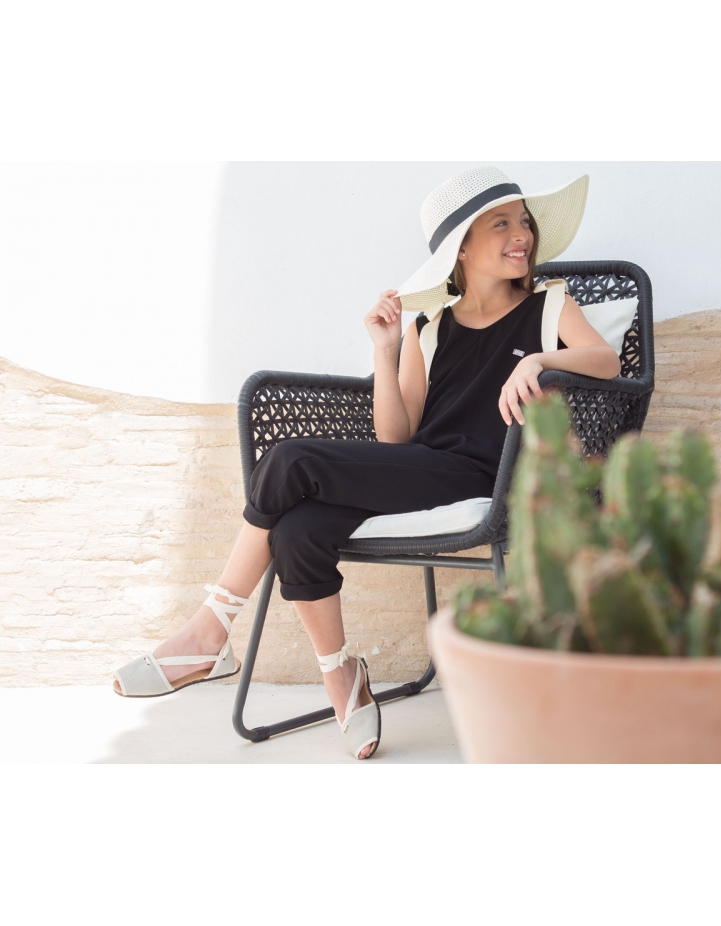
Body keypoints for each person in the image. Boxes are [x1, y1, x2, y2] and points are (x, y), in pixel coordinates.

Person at [112, 165, 621, 760]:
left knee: (289, 459)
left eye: (524, 222)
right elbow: (396, 435)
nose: (522, 235)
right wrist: (386, 349)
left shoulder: (549, 304)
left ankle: (210, 629)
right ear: (460, 249)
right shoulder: (431, 327)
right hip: (426, 469)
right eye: (501, 224)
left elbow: (607, 361)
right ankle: (341, 675)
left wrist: (537, 361)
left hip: (490, 476)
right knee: (298, 528)